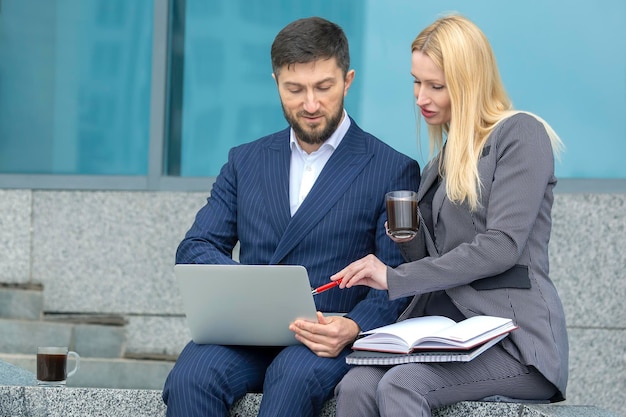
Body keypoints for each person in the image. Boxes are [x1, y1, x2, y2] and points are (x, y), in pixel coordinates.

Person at [161, 16, 421, 417]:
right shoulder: (244, 161)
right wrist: (243, 287)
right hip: (244, 335)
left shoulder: (392, 167)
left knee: (292, 379)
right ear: (276, 83)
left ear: (348, 80)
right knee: (190, 378)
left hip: (327, 338)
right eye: (294, 89)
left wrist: (353, 327)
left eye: (324, 87)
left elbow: (398, 274)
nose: (311, 104)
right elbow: (196, 246)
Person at [332, 14, 568, 417]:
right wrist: (407, 235)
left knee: (404, 385)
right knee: (356, 385)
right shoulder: (440, 162)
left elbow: (502, 246)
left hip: (514, 342)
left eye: (436, 86)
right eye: (416, 82)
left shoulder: (519, 135)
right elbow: (432, 260)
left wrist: (394, 278)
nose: (421, 97)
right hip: (448, 335)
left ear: (468, 82)